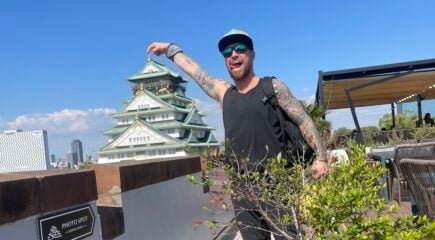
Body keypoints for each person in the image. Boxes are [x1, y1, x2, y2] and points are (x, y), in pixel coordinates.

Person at [148, 29, 328, 240]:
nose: (233, 55)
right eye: (227, 52)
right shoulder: (224, 92)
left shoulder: (272, 88)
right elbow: (194, 70)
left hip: (276, 186)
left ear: (252, 54)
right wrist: (170, 49)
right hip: (242, 190)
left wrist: (322, 157)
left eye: (240, 49)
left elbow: (303, 119)